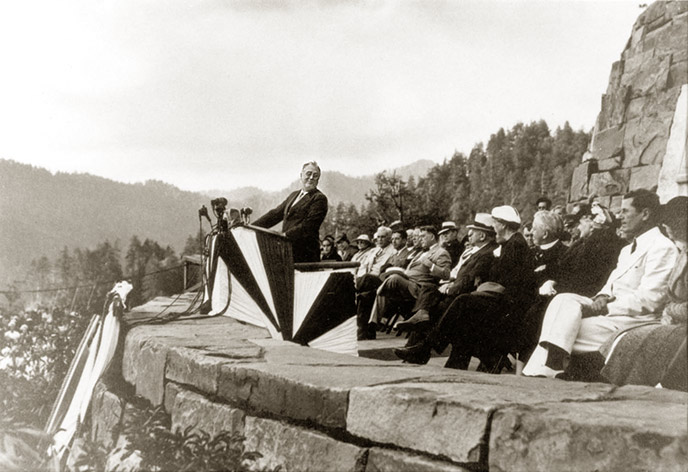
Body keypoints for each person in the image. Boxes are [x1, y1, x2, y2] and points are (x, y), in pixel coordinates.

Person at [522, 189, 679, 378]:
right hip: (610, 313)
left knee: (561, 330)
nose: (620, 217)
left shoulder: (662, 247)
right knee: (563, 300)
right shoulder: (628, 249)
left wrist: (605, 308)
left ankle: (541, 373)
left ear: (645, 214)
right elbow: (611, 285)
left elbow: (650, 299)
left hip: (633, 319)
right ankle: (551, 367)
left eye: (625, 211)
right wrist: (602, 296)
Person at [394, 205, 537, 371]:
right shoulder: (509, 244)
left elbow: (508, 283)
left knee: (460, 303)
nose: (494, 228)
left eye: (495, 224)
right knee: (454, 309)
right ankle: (448, 359)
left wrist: (479, 288)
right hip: (499, 299)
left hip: (508, 306)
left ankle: (426, 347)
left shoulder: (515, 245)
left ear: (503, 224)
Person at [599, 196, 687, 391]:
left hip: (678, 323)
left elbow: (662, 300)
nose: (665, 227)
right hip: (672, 321)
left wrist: (670, 311)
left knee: (634, 340)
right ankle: (623, 388)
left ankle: (640, 390)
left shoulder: (670, 249)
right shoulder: (682, 252)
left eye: (670, 223)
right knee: (627, 339)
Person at [518, 202, 624, 363]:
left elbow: (583, 278)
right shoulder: (583, 244)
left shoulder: (596, 245)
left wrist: (554, 285)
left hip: (581, 297)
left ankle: (537, 364)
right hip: (565, 293)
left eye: (579, 223)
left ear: (593, 223)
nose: (576, 228)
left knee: (537, 313)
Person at [395, 213, 498, 331]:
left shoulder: (484, 253)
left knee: (431, 305)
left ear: (482, 236)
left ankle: (421, 340)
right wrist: (448, 282)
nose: (469, 235)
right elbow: (456, 271)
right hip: (451, 284)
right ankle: (418, 325)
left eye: (472, 232)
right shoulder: (474, 250)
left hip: (461, 293)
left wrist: (449, 286)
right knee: (428, 293)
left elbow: (469, 277)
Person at [367, 226, 451, 330]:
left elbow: (446, 274)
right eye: (419, 236)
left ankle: (375, 319)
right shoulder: (420, 252)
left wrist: (431, 265)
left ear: (432, 237)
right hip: (406, 282)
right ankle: (374, 322)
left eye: (423, 236)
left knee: (393, 279)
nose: (420, 239)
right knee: (387, 285)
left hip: (418, 286)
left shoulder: (441, 252)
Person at [253, 162, 327, 263]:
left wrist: (285, 235)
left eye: (315, 175)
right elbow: (275, 214)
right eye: (308, 174)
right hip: (287, 251)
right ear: (301, 175)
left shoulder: (319, 198)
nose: (311, 178)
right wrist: (251, 227)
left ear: (318, 179)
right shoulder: (294, 195)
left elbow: (309, 226)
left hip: (305, 254)